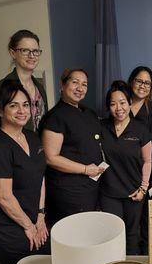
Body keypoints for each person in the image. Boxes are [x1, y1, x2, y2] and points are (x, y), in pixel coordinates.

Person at [0, 81, 50, 264]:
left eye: (25, 105)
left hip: (31, 217)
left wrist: (40, 216)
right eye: (13, 105)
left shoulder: (32, 138)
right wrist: (29, 226)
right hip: (5, 224)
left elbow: (39, 176)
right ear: (0, 111)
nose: (21, 110)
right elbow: (3, 197)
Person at [40, 68, 105, 224]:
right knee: (75, 233)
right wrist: (85, 169)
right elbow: (51, 158)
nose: (80, 88)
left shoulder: (88, 113)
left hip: (91, 186)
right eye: (75, 82)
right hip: (69, 191)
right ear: (62, 85)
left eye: (84, 84)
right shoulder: (56, 117)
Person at [100, 81, 152, 255]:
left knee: (132, 235)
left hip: (134, 193)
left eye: (122, 102)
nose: (118, 108)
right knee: (111, 234)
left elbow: (148, 161)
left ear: (130, 102)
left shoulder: (141, 130)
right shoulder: (101, 127)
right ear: (108, 107)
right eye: (113, 104)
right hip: (109, 193)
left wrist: (143, 189)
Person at [0, 29, 48, 141]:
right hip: (12, 152)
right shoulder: (0, 88)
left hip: (36, 150)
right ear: (13, 53)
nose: (32, 56)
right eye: (25, 50)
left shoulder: (39, 88)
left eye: (36, 51)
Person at [127, 66, 152, 254]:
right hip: (124, 171)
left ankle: (145, 255)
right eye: (139, 81)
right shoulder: (120, 105)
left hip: (148, 172)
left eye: (147, 83)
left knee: (145, 217)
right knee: (128, 219)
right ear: (131, 81)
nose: (142, 86)